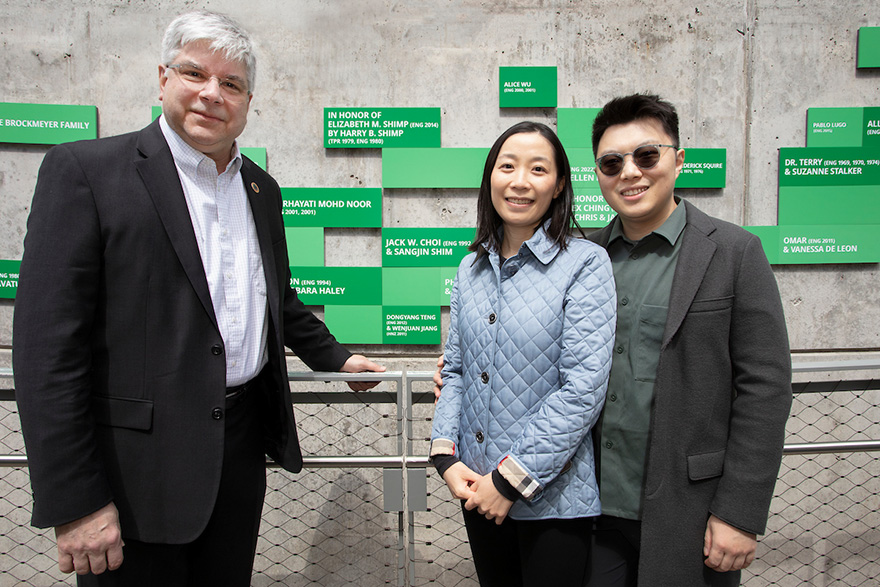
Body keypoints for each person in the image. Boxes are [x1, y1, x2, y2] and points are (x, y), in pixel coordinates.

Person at [12, 10, 384, 586]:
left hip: (236, 458)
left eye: (231, 84)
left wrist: (335, 358)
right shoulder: (87, 173)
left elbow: (272, 296)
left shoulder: (260, 188)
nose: (213, 94)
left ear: (248, 101)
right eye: (195, 74)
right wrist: (76, 501)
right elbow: (44, 354)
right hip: (132, 477)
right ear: (163, 78)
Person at [582, 94, 792, 586]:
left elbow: (765, 389)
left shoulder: (735, 253)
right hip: (588, 511)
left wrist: (739, 512)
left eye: (646, 156)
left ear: (678, 160)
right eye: (612, 163)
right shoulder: (582, 258)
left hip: (692, 513)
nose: (629, 173)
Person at [430, 121, 617, 586]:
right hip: (475, 489)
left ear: (558, 186)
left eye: (538, 169)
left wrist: (509, 480)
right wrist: (445, 457)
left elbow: (582, 390)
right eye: (507, 166)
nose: (519, 181)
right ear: (490, 176)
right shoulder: (470, 267)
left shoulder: (585, 263)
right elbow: (454, 369)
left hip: (550, 500)